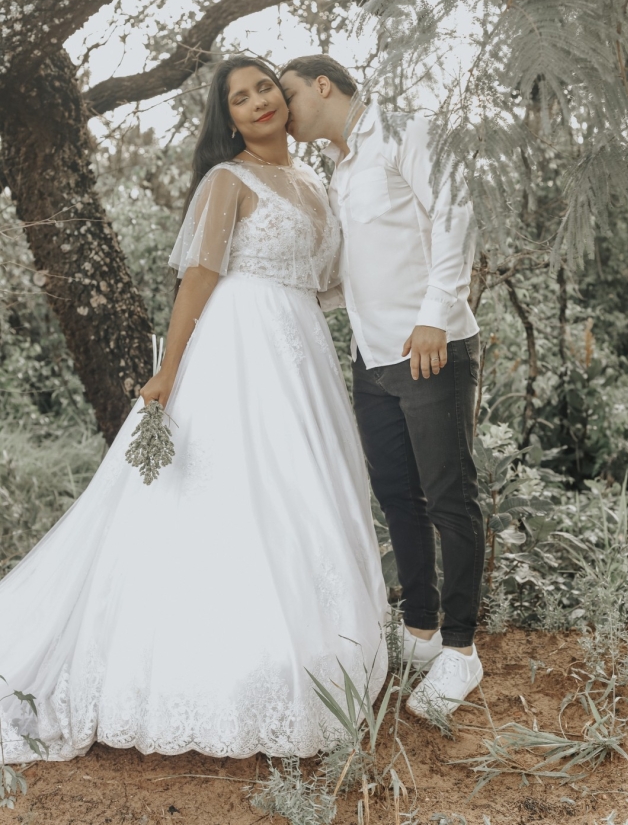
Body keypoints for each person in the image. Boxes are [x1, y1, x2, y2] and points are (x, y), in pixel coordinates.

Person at [0, 56, 388, 762]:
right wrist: (168, 372)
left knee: (304, 491)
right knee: (236, 493)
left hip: (302, 348)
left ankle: (311, 652)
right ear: (228, 118)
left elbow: (335, 277)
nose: (258, 102)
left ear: (286, 97)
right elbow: (198, 280)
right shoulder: (227, 180)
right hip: (240, 347)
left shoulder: (314, 181)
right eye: (240, 98)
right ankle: (217, 667)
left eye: (265, 87)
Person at [280, 55, 484, 715]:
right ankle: (421, 631)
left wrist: (436, 317)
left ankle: (461, 650)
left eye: (287, 95)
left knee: (450, 497)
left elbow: (455, 213)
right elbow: (359, 266)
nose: (283, 111)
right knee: (398, 496)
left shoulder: (406, 132)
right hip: (372, 358)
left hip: (430, 347)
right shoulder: (337, 171)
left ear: (322, 84)